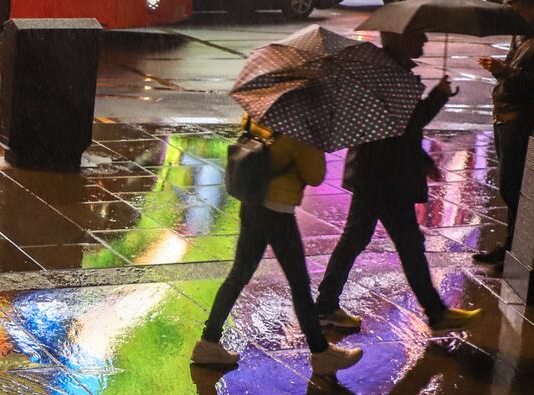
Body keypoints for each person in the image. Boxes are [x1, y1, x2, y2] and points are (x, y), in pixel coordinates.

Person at [315, 31, 481, 334]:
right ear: (398, 38)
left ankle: (325, 306)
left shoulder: (390, 71)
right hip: (383, 175)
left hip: (377, 171)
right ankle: (435, 313)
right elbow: (406, 125)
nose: (425, 40)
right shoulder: (388, 75)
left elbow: (399, 126)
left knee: (362, 240)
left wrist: (423, 158)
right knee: (404, 242)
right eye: (417, 34)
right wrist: (438, 96)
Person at [193, 116, 363, 376]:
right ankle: (321, 353)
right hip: (277, 213)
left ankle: (208, 342)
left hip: (251, 203)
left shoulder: (258, 116)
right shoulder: (300, 130)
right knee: (299, 284)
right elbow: (315, 176)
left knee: (239, 275)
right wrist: (316, 143)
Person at [472, 0, 534, 273]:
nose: (510, 14)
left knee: (515, 187)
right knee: (509, 186)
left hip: (521, 120)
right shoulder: (521, 32)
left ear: (533, 6)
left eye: (514, 7)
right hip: (504, 117)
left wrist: (503, 71)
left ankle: (517, 251)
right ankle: (509, 246)